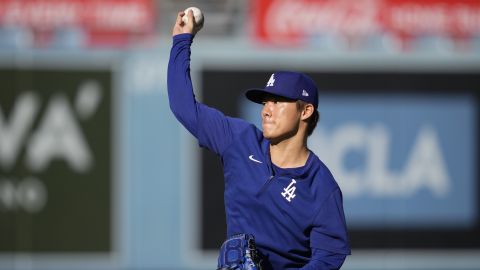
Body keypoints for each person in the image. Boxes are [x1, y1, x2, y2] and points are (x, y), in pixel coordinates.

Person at [168, 10, 351, 270]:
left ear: (305, 111)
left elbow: (328, 258)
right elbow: (183, 106)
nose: (266, 109)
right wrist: (181, 40)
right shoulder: (239, 140)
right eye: (265, 102)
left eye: (278, 101)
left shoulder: (320, 187)